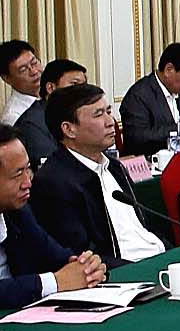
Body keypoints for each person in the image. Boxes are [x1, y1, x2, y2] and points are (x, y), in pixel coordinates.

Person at [29, 85, 168, 267]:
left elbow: (145, 226)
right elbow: (82, 255)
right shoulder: (54, 182)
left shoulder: (115, 167)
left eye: (108, 112)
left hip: (155, 256)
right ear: (69, 129)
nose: (110, 122)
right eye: (98, 115)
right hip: (122, 271)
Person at [0, 124, 107, 307]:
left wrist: (86, 267)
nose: (27, 182)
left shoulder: (18, 212)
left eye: (28, 169)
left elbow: (53, 254)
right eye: (17, 174)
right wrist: (55, 282)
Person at [120, 42, 180, 155]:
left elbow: (175, 132)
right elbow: (138, 139)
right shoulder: (138, 96)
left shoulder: (175, 91)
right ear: (169, 70)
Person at [16, 59, 87, 165]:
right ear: (51, 88)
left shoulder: (77, 114)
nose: (82, 91)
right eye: (74, 84)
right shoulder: (31, 124)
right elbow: (52, 163)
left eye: (84, 85)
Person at [0, 40, 42, 127]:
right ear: (6, 78)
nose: (34, 71)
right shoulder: (13, 117)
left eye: (34, 63)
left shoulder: (54, 91)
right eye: (23, 70)